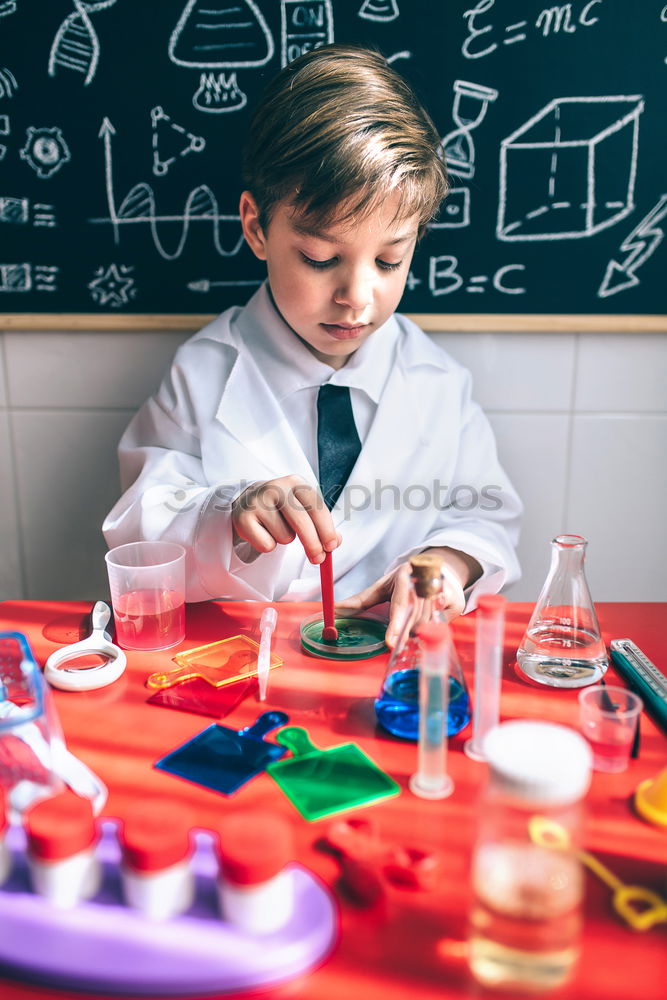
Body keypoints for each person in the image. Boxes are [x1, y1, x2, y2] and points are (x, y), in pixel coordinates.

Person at [103, 44, 522, 645]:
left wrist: (445, 565)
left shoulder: (437, 382)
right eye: (321, 258)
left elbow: (484, 515)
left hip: (386, 659)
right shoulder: (202, 373)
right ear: (256, 228)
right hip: (247, 655)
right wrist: (231, 513)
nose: (357, 295)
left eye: (389, 259)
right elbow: (140, 530)